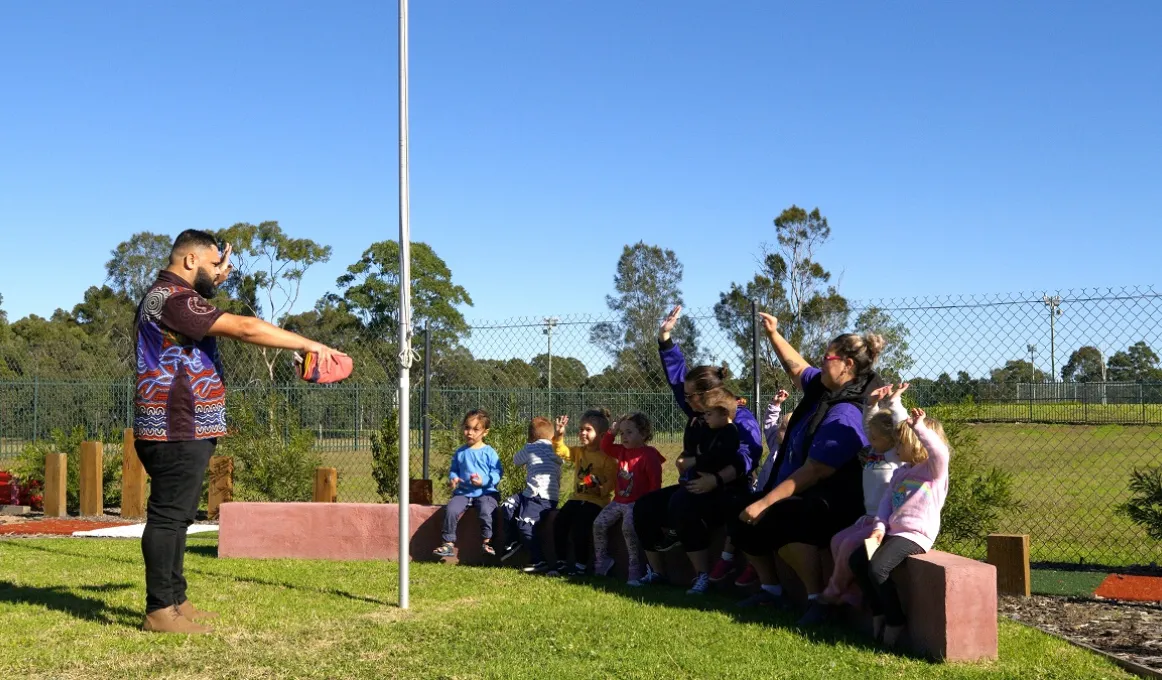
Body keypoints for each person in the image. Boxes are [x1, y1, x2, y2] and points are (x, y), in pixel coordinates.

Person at [133, 229, 345, 634]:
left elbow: (209, 305)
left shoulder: (177, 296)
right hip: (176, 423)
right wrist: (310, 344)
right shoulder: (171, 299)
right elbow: (246, 328)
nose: (220, 272)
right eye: (214, 265)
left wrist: (214, 277)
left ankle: (176, 600)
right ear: (190, 260)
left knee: (178, 519)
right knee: (167, 517)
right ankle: (160, 610)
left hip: (182, 423)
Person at [731, 312, 885, 618]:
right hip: (808, 491)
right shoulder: (827, 386)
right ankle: (771, 590)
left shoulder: (847, 410)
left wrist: (765, 503)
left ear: (847, 364)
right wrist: (773, 334)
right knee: (737, 510)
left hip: (837, 502)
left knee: (780, 517)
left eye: (826, 356)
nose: (821, 360)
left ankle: (818, 600)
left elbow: (816, 471)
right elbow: (797, 367)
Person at [631, 305, 763, 591]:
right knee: (643, 508)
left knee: (682, 504)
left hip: (728, 490)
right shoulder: (698, 412)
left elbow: (748, 457)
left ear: (709, 395)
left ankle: (702, 575)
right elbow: (678, 378)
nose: (685, 399)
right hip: (695, 486)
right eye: (687, 395)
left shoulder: (740, 418)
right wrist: (665, 339)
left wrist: (714, 480)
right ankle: (657, 572)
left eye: (691, 396)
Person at [805, 384, 909, 622]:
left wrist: (894, 403)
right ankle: (850, 592)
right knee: (837, 540)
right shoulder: (874, 452)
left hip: (885, 523)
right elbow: (868, 423)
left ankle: (833, 591)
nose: (869, 439)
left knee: (849, 545)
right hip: (868, 517)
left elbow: (901, 426)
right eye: (869, 436)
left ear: (891, 439)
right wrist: (871, 405)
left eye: (875, 437)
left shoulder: (895, 455)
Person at [851, 407, 950, 647]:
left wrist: (919, 427)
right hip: (893, 532)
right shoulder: (902, 473)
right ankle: (878, 611)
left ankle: (895, 620)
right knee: (857, 561)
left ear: (918, 444)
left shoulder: (933, 472)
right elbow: (886, 503)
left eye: (901, 443)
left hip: (916, 535)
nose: (896, 447)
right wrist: (879, 527)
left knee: (877, 568)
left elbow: (939, 452)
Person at [716, 389, 790, 588]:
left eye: (785, 429)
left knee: (755, 521)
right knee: (739, 513)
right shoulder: (776, 441)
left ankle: (753, 566)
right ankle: (726, 557)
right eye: (781, 427)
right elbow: (769, 423)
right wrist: (775, 405)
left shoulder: (795, 452)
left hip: (776, 499)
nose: (779, 431)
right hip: (759, 492)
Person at [592, 413, 665, 586]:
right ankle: (602, 560)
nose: (624, 436)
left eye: (629, 432)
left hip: (637, 503)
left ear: (643, 433)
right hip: (618, 502)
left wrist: (651, 506)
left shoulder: (648, 455)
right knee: (599, 524)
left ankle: (634, 567)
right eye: (622, 433)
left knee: (628, 528)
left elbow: (656, 483)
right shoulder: (621, 451)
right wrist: (613, 430)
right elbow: (605, 446)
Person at [548, 410, 618, 576]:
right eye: (581, 429)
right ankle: (561, 562)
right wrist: (559, 435)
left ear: (602, 435)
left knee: (581, 526)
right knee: (560, 521)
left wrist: (598, 488)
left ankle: (580, 565)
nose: (582, 433)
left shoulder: (609, 458)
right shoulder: (580, 452)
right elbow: (561, 451)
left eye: (588, 429)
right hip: (577, 498)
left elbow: (611, 484)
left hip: (596, 502)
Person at [433, 409, 503, 559]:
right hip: (463, 493)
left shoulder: (489, 452)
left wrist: (483, 481)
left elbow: (497, 473)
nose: (470, 432)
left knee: (486, 510)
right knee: (451, 510)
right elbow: (454, 470)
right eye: (467, 428)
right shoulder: (461, 452)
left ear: (485, 432)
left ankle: (487, 542)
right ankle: (448, 543)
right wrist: (454, 478)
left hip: (486, 493)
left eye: (475, 429)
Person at [500, 417, 563, 573]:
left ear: (531, 437)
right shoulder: (557, 449)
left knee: (525, 524)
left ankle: (539, 560)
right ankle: (513, 542)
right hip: (532, 495)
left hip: (540, 497)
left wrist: (528, 448)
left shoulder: (530, 448)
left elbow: (515, 460)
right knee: (509, 503)